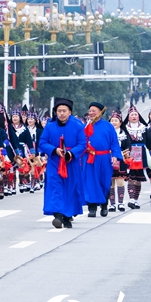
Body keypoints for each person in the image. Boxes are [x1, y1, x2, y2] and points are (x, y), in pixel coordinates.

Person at [40, 98, 86, 228]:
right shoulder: (50, 126)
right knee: (56, 187)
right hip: (55, 162)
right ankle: (58, 215)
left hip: (71, 162)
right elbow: (42, 142)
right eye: (59, 111)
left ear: (70, 112)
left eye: (64, 111)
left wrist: (71, 153)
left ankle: (67, 216)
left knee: (70, 188)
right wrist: (54, 150)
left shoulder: (78, 126)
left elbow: (82, 144)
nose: (61, 113)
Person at [81, 103, 123, 218]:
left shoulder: (108, 126)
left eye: (93, 111)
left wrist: (115, 156)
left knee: (105, 182)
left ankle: (104, 205)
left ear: (100, 112)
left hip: (104, 158)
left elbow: (114, 143)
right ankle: (92, 208)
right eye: (90, 111)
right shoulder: (85, 127)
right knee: (90, 182)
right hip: (89, 158)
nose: (91, 113)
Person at [109, 109, 130, 212]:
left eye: (116, 120)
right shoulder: (107, 133)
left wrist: (124, 154)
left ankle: (120, 203)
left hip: (121, 160)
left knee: (120, 181)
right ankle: (112, 204)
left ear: (120, 123)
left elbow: (128, 146)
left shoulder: (124, 134)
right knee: (110, 183)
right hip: (108, 159)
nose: (114, 122)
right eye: (112, 120)